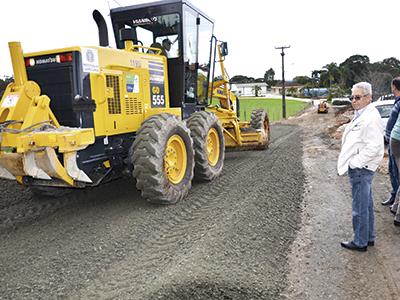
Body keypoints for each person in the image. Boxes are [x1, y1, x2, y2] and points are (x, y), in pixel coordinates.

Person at [337, 82, 384, 252]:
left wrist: (355, 162)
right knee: (366, 204)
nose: (354, 101)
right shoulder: (362, 113)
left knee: (359, 207)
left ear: (368, 97)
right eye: (352, 97)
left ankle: (360, 241)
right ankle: (368, 237)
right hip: (361, 167)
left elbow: (375, 146)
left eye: (358, 97)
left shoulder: (370, 118)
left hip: (361, 168)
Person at [382, 77, 400, 206]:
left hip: (396, 142)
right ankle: (394, 195)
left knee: (396, 171)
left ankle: (396, 200)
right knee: (392, 170)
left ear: (394, 86)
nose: (391, 88)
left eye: (392, 86)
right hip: (391, 141)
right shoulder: (397, 101)